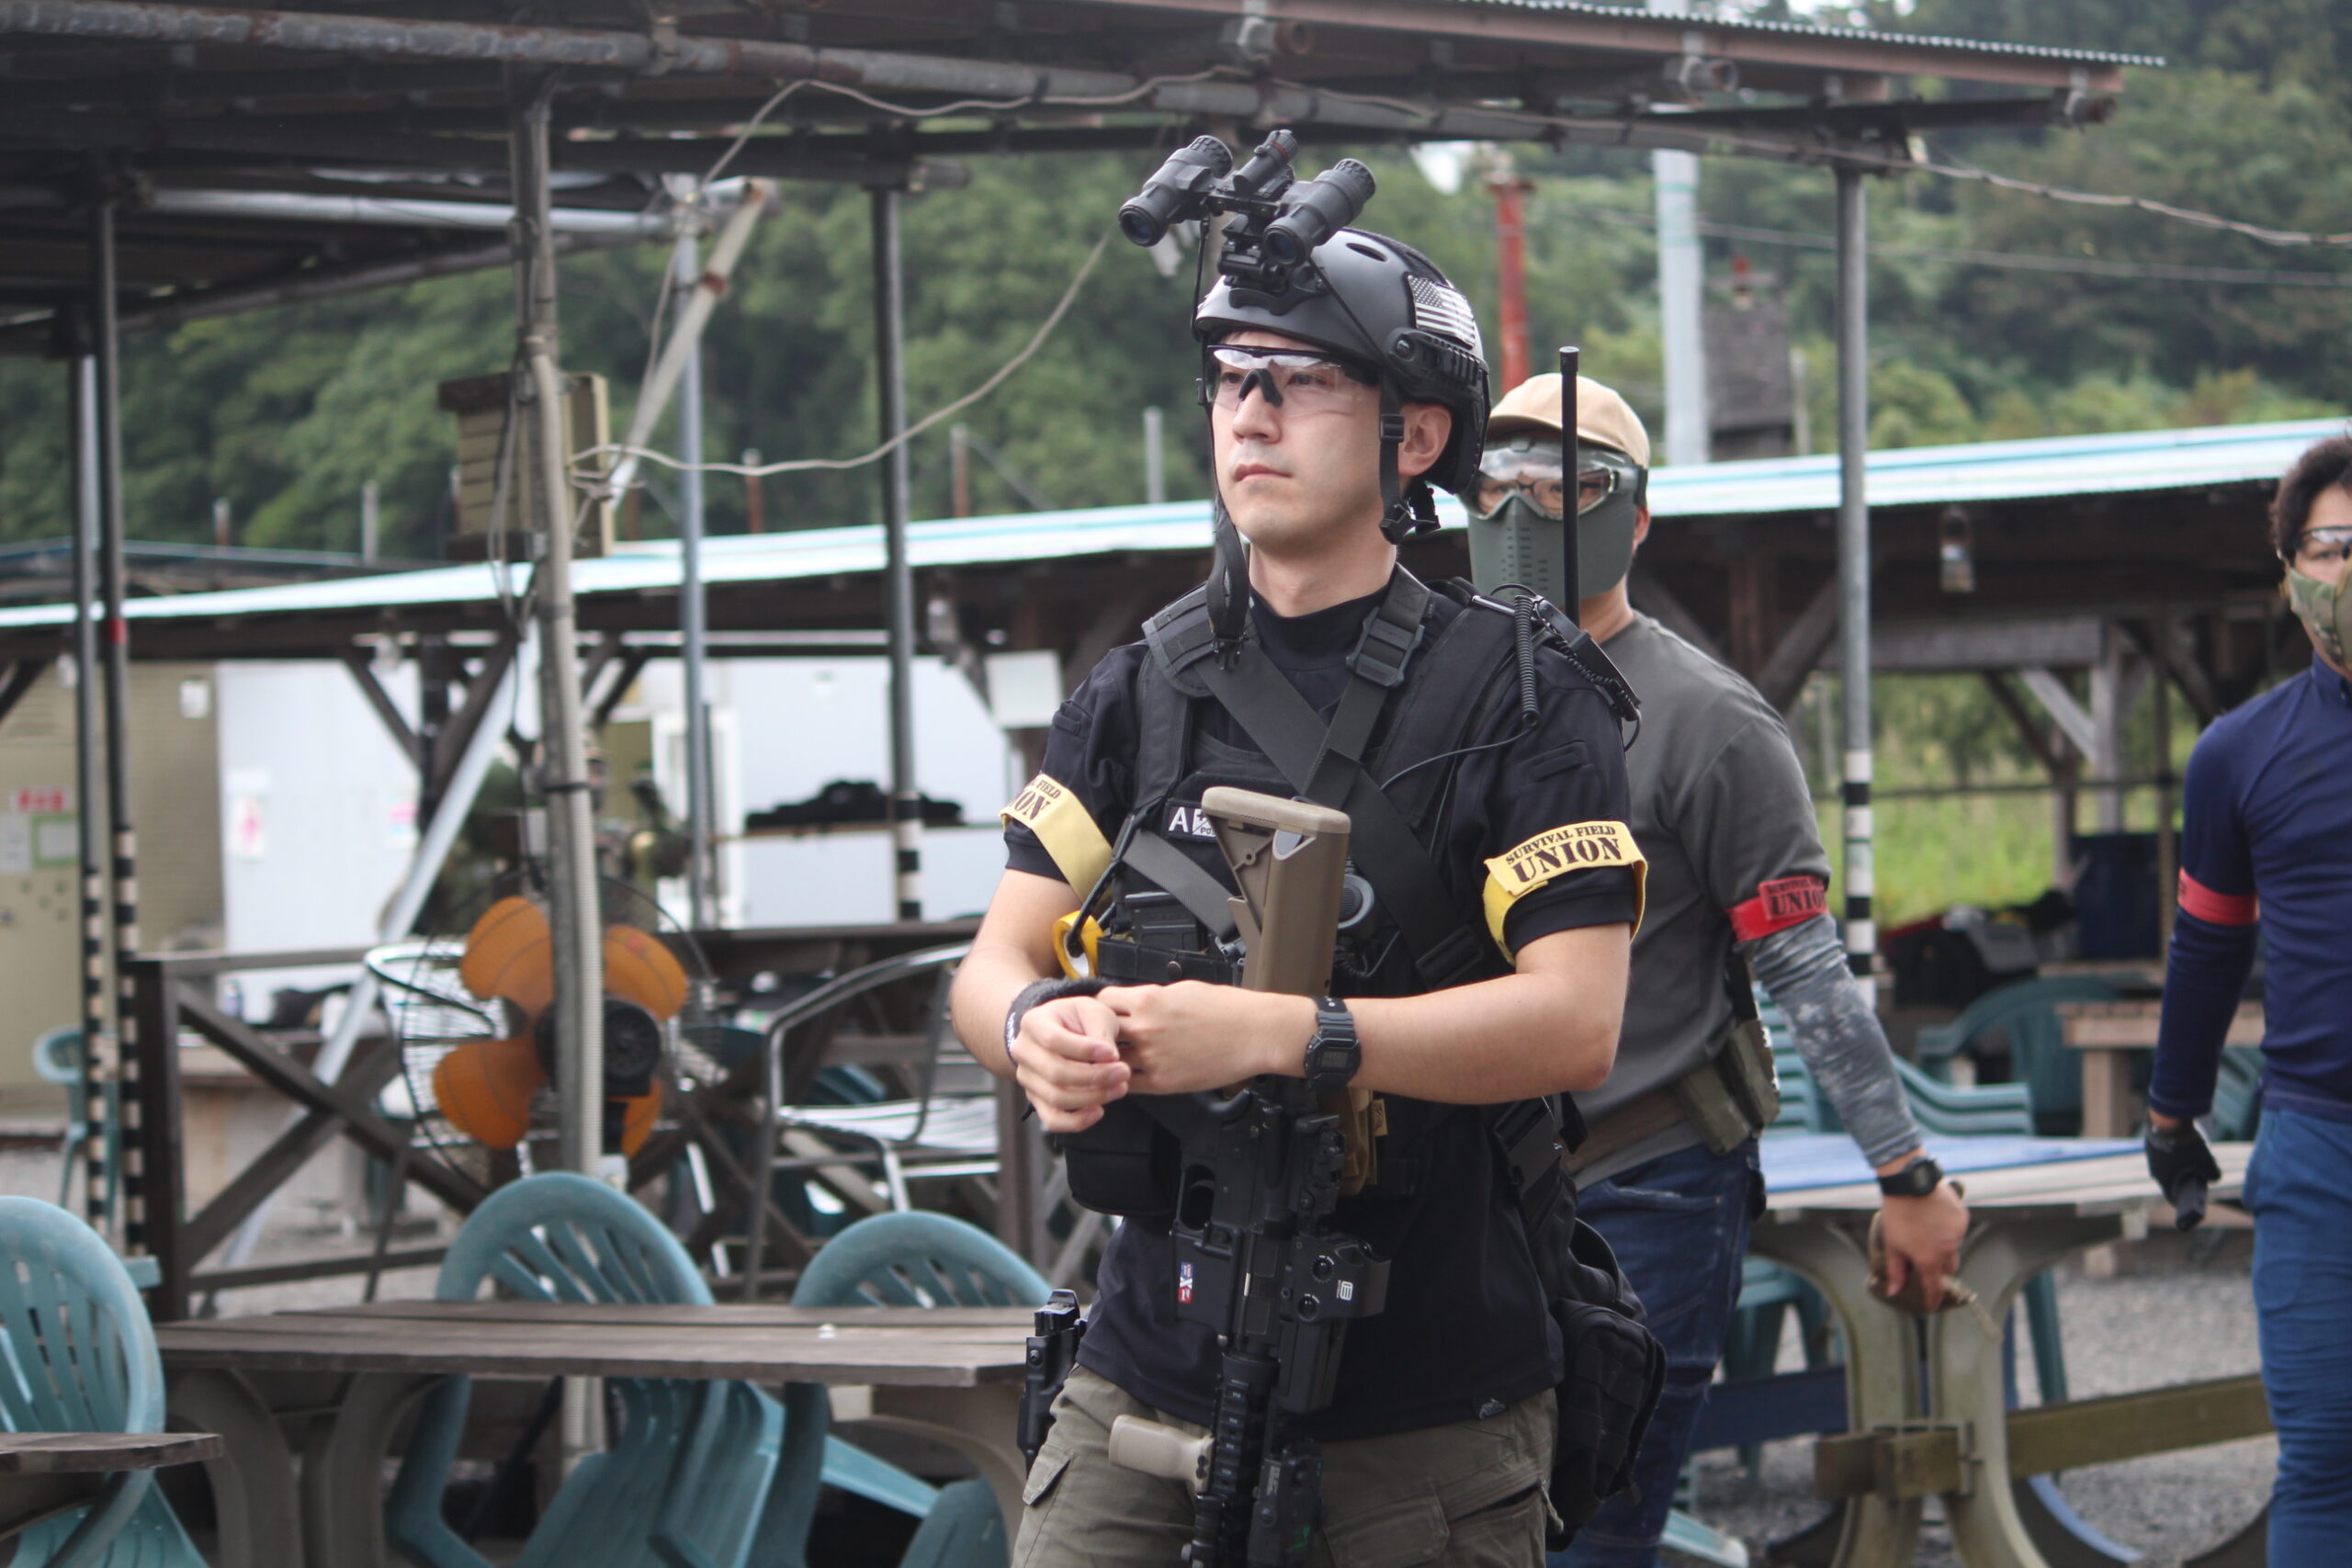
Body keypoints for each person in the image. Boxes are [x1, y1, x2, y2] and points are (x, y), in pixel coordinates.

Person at [952, 221, 1645, 1566]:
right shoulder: (1135, 690)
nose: (1252, 414)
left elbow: (1577, 1024)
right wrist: (1037, 1026)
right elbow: (990, 965)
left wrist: (1286, 1034)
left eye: (1304, 379)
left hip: (1421, 1417)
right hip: (1138, 1381)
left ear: (1416, 434)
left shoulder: (1523, 697)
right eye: (1231, 376)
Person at [1467, 374, 1970, 1568]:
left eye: (1569, 485)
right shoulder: (1445, 700)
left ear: (1634, 516)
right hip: (1466, 1185)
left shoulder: (1708, 722)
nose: (1527, 509)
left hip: (1644, 1175)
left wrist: (1905, 1171)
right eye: (1500, 484)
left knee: (1595, 1531)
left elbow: (1804, 966)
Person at [2145, 432, 2352, 1568]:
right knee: (2323, 1459)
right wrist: (2169, 1114)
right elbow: (2209, 947)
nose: (2351, 571)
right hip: (2320, 1149)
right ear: (2290, 571)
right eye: (2332, 546)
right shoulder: (2238, 755)